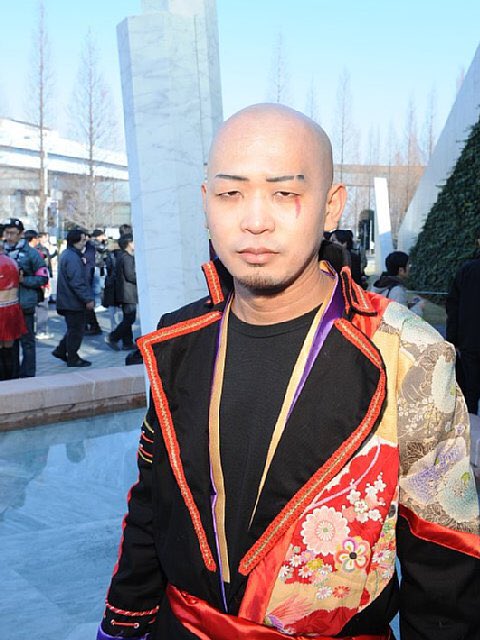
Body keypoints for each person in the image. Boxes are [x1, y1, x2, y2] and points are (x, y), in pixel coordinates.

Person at [97, 105, 479, 640]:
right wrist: (124, 623)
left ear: (331, 206)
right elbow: (151, 503)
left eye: (283, 193)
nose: (255, 221)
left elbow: (445, 558)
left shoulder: (405, 353)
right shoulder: (180, 336)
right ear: (206, 203)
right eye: (231, 193)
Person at [3, 218, 48, 377]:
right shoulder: (2, 252)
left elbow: (43, 278)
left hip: (24, 304)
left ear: (21, 234)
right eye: (7, 233)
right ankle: (12, 374)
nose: (9, 237)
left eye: (13, 233)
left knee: (27, 342)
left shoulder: (32, 254)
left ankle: (28, 375)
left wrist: (24, 280)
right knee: (10, 342)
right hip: (6, 307)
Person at [446, 230, 480, 414]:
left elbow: (453, 307)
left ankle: (471, 427)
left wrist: (453, 339)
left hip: (470, 340)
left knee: (470, 392)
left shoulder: (466, 271)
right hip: (469, 341)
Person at [52, 229, 94, 367]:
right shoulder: (72, 257)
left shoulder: (69, 254)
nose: (84, 243)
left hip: (69, 300)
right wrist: (87, 299)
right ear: (75, 241)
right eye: (82, 240)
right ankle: (73, 357)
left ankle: (61, 350)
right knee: (77, 330)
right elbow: (77, 282)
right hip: (72, 301)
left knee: (73, 329)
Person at [0, 232, 27, 380]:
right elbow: (20, 279)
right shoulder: (13, 262)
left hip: (2, 308)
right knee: (9, 348)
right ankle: (10, 379)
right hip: (13, 308)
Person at [105, 233, 137, 350]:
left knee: (127, 318)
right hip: (128, 293)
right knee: (130, 318)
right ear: (129, 244)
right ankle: (113, 337)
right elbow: (130, 276)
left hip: (124, 292)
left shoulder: (121, 256)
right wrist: (140, 279)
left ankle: (127, 343)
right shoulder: (127, 258)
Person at [371, 251, 423, 315]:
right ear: (401, 270)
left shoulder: (382, 283)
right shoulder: (397, 291)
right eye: (408, 265)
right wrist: (419, 307)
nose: (410, 267)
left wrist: (412, 304)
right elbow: (403, 318)